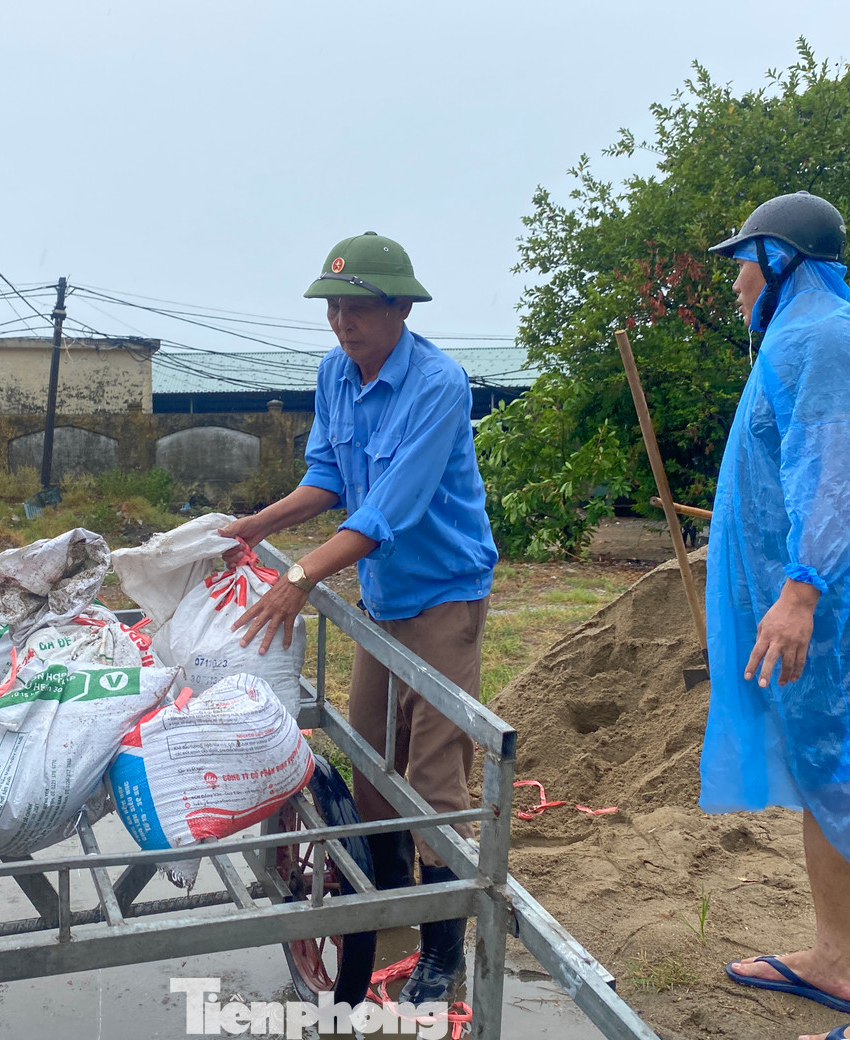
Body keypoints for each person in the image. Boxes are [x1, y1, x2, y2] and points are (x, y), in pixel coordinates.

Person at [221, 232, 497, 1005]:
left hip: (443, 593)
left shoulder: (438, 384)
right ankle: (388, 905)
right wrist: (258, 525)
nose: (343, 323)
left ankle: (445, 950)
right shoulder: (334, 374)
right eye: (334, 307)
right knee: (371, 762)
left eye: (359, 309)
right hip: (383, 595)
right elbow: (329, 476)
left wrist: (302, 576)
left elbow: (388, 509)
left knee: (433, 777)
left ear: (401, 307)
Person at [703, 192, 850, 1040]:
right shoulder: (801, 335)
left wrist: (802, 592)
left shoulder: (829, 341)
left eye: (742, 260)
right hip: (816, 609)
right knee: (829, 783)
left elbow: (838, 473)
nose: (734, 280)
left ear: (778, 260)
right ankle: (836, 964)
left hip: (833, 618)